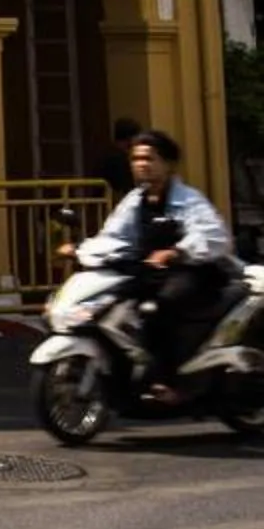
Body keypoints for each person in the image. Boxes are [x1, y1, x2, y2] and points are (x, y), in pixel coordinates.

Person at [70, 128, 236, 402]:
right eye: (136, 159)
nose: (142, 165)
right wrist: (80, 250)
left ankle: (169, 380)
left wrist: (176, 252)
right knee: (111, 305)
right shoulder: (134, 201)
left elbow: (213, 235)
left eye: (150, 158)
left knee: (160, 305)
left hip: (193, 272)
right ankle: (128, 376)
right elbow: (113, 237)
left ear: (168, 164)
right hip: (150, 272)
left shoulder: (189, 199)